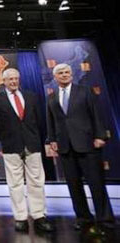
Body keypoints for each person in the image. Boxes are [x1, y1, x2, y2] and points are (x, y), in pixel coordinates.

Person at [46, 63, 115, 231]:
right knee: (74, 185)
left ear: (71, 74)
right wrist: (52, 139)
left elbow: (96, 114)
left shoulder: (85, 91)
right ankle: (83, 217)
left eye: (67, 72)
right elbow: (51, 120)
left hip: (88, 143)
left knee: (96, 183)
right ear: (55, 77)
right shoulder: (52, 96)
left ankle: (105, 219)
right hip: (65, 147)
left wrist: (99, 136)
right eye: (60, 73)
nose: (64, 75)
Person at [0, 68, 55, 232]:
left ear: (19, 79)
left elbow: (39, 120)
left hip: (32, 145)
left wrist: (35, 138)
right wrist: (6, 139)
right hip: (11, 146)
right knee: (15, 184)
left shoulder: (31, 96)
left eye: (15, 79)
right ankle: (20, 217)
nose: (13, 82)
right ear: (3, 81)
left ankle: (39, 216)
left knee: (37, 182)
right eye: (10, 79)